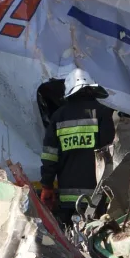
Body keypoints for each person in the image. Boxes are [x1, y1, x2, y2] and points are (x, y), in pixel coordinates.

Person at [39, 69, 116, 221]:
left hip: (68, 198)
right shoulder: (102, 113)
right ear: (91, 89)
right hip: (97, 196)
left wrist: (47, 185)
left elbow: (50, 155)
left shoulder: (58, 116)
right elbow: (110, 153)